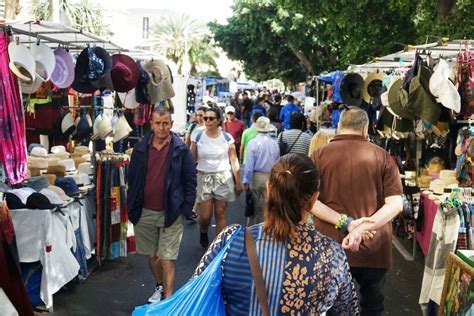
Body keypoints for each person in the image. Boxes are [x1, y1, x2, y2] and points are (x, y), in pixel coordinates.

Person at [193, 154, 359, 315]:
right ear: (314, 199)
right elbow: (348, 310)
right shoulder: (332, 255)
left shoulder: (230, 241)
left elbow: (195, 293)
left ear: (268, 188)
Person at [310, 106, 403, 315]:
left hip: (329, 245)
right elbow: (395, 204)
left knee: (330, 306)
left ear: (339, 127)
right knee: (372, 305)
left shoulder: (318, 156)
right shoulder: (383, 157)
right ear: (365, 129)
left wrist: (349, 224)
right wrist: (359, 228)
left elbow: (311, 202)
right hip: (374, 246)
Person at [127, 107, 197, 303]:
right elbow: (132, 179)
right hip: (145, 211)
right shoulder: (141, 148)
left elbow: (190, 181)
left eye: (165, 123)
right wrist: (133, 206)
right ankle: (159, 286)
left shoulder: (181, 150)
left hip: (171, 212)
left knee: (167, 258)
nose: (161, 127)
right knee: (152, 256)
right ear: (152, 124)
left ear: (171, 124)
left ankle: (168, 300)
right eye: (158, 123)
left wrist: (185, 208)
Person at [190, 107, 243, 248]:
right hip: (203, 176)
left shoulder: (226, 138)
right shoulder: (198, 136)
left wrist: (238, 181)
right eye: (205, 118)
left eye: (210, 118)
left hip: (223, 176)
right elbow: (191, 159)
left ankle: (218, 246)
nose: (207, 120)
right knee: (205, 216)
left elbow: (234, 160)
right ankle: (203, 229)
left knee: (220, 213)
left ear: (218, 120)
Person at [243, 117, 279, 225]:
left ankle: (251, 230)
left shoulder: (252, 143)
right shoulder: (274, 143)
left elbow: (249, 164)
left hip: (256, 176)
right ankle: (265, 229)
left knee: (252, 205)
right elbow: (277, 162)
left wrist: (246, 180)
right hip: (270, 176)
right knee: (266, 206)